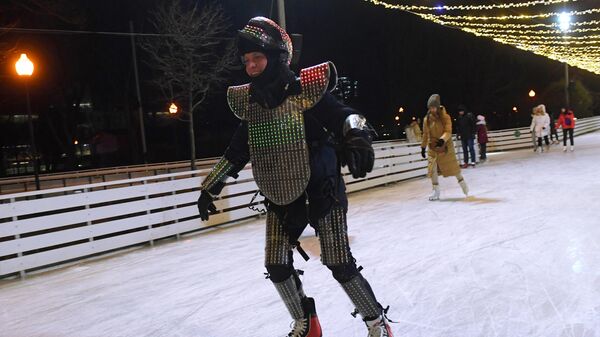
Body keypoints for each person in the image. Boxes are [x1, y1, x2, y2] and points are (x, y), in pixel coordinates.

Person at [196, 17, 394, 337]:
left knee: (338, 262)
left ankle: (376, 323)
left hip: (322, 188)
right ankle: (307, 322)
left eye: (257, 58)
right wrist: (210, 187)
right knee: (276, 265)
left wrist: (358, 135)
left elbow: (345, 115)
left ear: (276, 57)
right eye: (246, 60)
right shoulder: (252, 105)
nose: (251, 66)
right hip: (279, 194)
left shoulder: (306, 92)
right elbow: (236, 151)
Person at [420, 94, 469, 201]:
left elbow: (448, 131)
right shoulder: (426, 119)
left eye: (434, 107)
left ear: (438, 107)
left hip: (445, 146)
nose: (432, 109)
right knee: (432, 169)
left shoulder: (445, 117)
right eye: (430, 107)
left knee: (452, 167)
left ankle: (462, 182)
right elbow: (425, 134)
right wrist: (423, 147)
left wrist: (442, 140)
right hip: (432, 147)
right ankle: (436, 190)